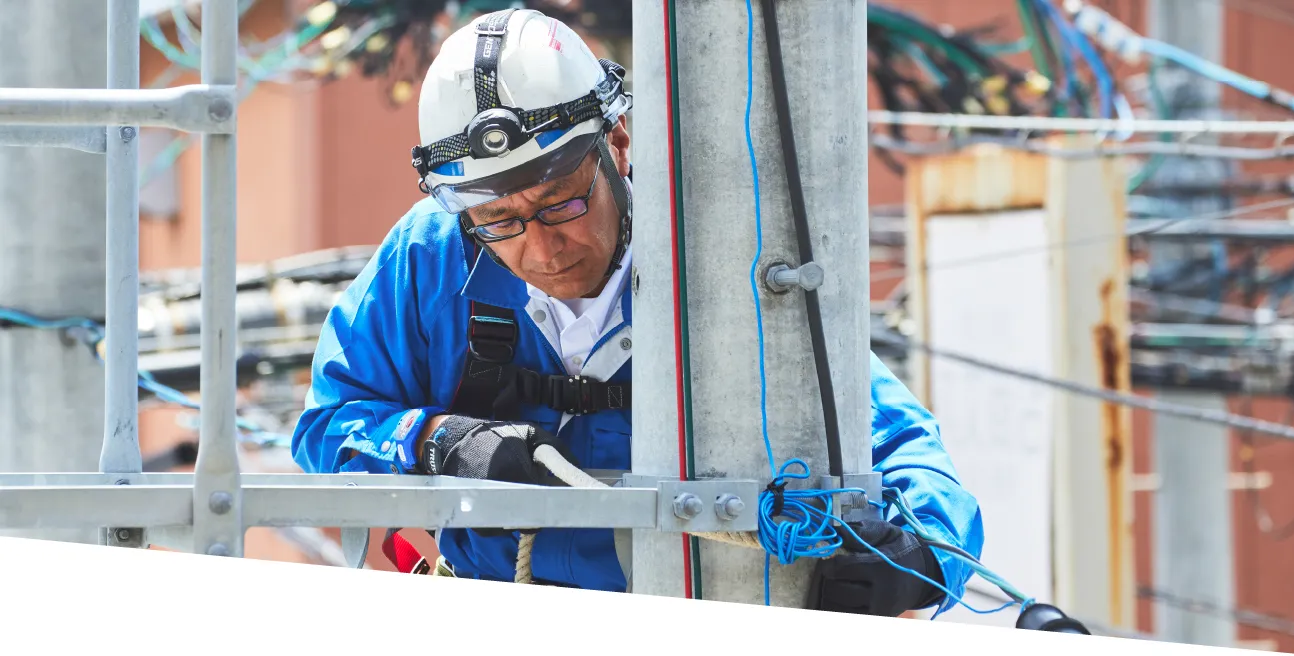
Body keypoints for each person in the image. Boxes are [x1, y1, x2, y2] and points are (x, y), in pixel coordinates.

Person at [289, 8, 983, 618]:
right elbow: (328, 424)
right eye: (499, 221)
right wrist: (437, 439)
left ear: (617, 145)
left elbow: (907, 452)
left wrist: (919, 560)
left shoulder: (719, 259)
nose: (540, 248)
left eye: (561, 200)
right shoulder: (430, 257)